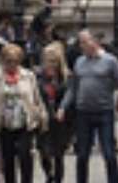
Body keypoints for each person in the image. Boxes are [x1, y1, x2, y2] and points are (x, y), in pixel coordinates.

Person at [57, 31, 118, 183]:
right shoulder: (79, 62)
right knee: (82, 155)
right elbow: (73, 88)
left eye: (84, 42)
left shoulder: (111, 61)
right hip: (83, 112)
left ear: (95, 42)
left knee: (109, 154)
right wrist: (62, 107)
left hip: (104, 112)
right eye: (80, 43)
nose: (82, 46)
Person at [0, 43, 47, 183]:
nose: (11, 64)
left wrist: (41, 116)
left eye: (15, 61)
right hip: (4, 123)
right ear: (3, 60)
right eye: (8, 61)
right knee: (8, 159)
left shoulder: (28, 75)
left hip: (25, 122)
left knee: (25, 156)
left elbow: (36, 97)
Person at [36, 42, 72, 183]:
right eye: (47, 60)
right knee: (43, 151)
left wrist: (62, 109)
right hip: (43, 119)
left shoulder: (66, 77)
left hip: (60, 120)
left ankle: (57, 179)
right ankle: (49, 175)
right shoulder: (38, 76)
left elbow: (69, 95)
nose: (50, 64)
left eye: (53, 61)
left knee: (58, 154)